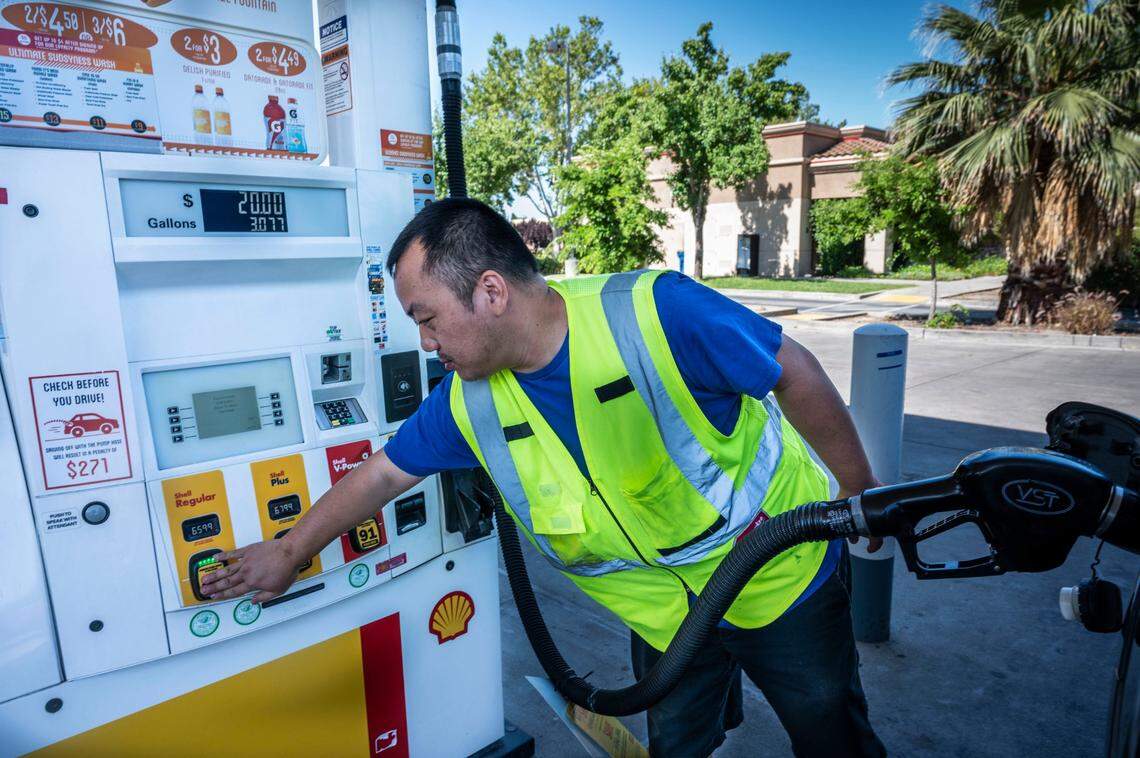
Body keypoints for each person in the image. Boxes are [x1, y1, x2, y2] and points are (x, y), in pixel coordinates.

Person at [201, 198, 887, 757]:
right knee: (677, 743)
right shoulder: (468, 401)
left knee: (829, 731)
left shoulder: (654, 314)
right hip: (665, 612)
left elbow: (791, 370)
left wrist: (860, 495)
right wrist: (290, 551)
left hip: (778, 575)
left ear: (491, 291)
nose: (425, 342)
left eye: (427, 318)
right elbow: (383, 474)